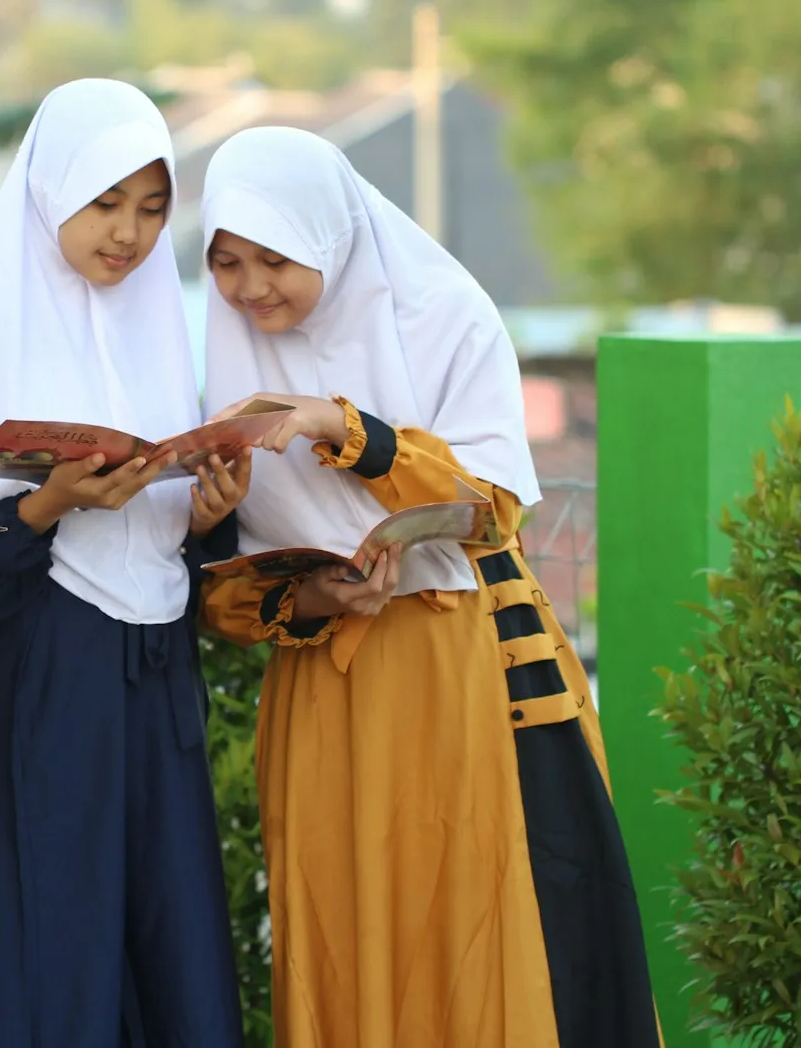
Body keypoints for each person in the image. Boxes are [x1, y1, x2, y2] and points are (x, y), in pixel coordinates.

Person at [198, 125, 662, 1048]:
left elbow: (487, 512)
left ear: (327, 236)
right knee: (340, 923)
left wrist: (346, 426)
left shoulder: (442, 313)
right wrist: (309, 593)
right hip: (325, 690)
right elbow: (220, 595)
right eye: (226, 261)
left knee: (477, 924)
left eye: (274, 258)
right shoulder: (216, 352)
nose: (250, 287)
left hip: (462, 673)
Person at [0, 78, 247, 1048]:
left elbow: (173, 542)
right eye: (105, 201)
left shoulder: (155, 332)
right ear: (51, 190)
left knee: (172, 947)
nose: (127, 233)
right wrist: (51, 501)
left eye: (150, 207)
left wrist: (212, 516)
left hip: (159, 683)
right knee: (57, 946)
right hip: (50, 677)